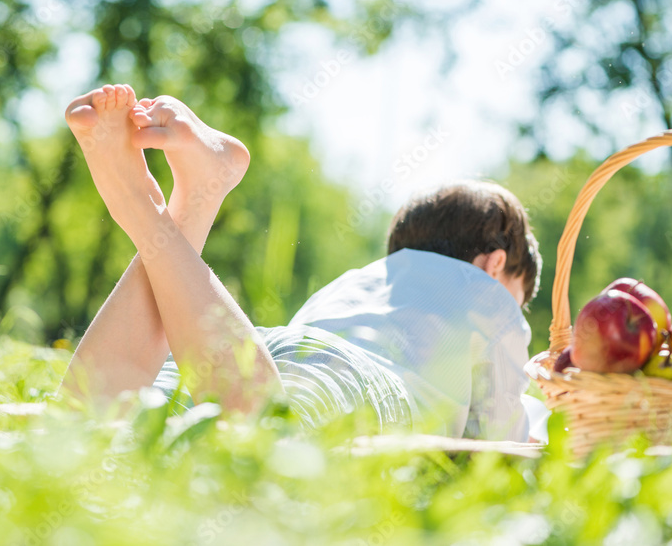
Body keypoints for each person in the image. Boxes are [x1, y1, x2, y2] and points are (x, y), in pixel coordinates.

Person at [60, 83, 541, 439]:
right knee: (266, 435)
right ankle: (141, 207)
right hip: (363, 385)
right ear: (494, 266)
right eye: (518, 300)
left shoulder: (356, 281)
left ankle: (195, 200)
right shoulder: (485, 295)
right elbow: (501, 437)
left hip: (273, 349)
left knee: (88, 419)